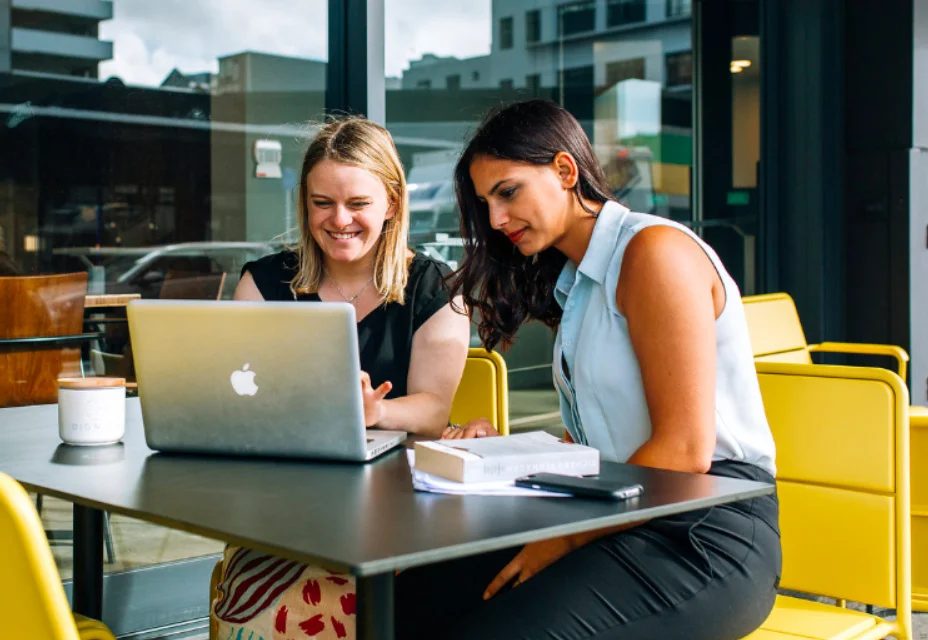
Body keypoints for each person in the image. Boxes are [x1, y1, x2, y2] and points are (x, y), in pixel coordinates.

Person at [392, 99, 780, 639]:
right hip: (619, 514)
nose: (496, 219)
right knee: (409, 603)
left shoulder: (653, 252)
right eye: (486, 203)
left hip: (705, 530)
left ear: (565, 171)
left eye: (508, 192)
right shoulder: (575, 284)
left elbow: (685, 451)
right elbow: (598, 444)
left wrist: (567, 539)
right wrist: (496, 454)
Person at [211, 116, 471, 640]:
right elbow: (231, 393)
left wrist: (376, 413)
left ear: (393, 204)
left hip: (394, 518)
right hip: (282, 507)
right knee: (260, 606)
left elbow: (433, 410)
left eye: (358, 203)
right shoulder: (263, 283)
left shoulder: (438, 291)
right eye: (321, 202)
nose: (339, 219)